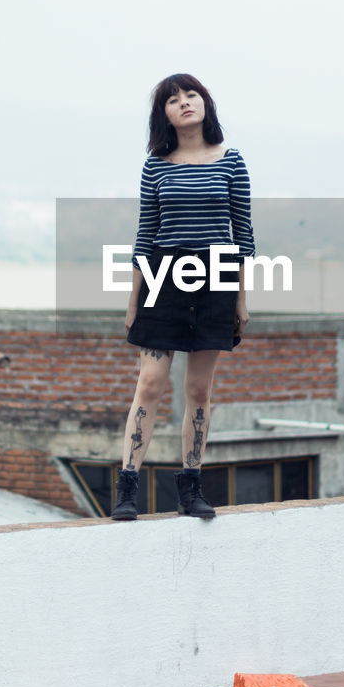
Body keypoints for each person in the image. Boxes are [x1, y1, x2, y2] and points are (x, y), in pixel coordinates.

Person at [113, 73, 255, 522]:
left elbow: (243, 234)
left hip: (215, 279)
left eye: (192, 95)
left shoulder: (231, 162)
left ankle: (191, 489)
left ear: (205, 104)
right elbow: (145, 233)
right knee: (150, 384)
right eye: (174, 100)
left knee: (198, 388)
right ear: (165, 115)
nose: (185, 103)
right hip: (164, 277)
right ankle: (127, 489)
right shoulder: (155, 165)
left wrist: (240, 298)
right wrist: (134, 299)